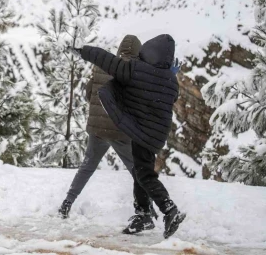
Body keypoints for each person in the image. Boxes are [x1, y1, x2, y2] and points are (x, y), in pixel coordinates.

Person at [68, 34, 185, 239]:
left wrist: (83, 51)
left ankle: (169, 210)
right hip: (156, 134)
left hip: (142, 132)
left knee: (144, 175)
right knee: (140, 171)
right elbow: (171, 96)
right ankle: (143, 214)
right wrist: (170, 76)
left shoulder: (135, 70)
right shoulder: (170, 80)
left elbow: (105, 59)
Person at [58, 35, 159, 231]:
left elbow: (89, 94)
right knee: (138, 171)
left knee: (87, 166)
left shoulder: (102, 65)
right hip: (121, 133)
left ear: (120, 48)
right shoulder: (135, 72)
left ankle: (66, 204)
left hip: (97, 130)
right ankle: (149, 210)